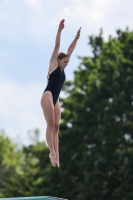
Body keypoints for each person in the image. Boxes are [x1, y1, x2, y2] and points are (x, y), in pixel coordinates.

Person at [41, 19, 81, 167]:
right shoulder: (53, 65)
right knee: (50, 124)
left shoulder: (63, 68)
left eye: (68, 62)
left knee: (57, 127)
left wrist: (76, 37)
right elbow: (57, 46)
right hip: (48, 95)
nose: (66, 64)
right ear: (58, 60)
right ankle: (51, 152)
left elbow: (70, 51)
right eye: (65, 62)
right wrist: (59, 31)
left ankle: (57, 155)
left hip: (55, 99)